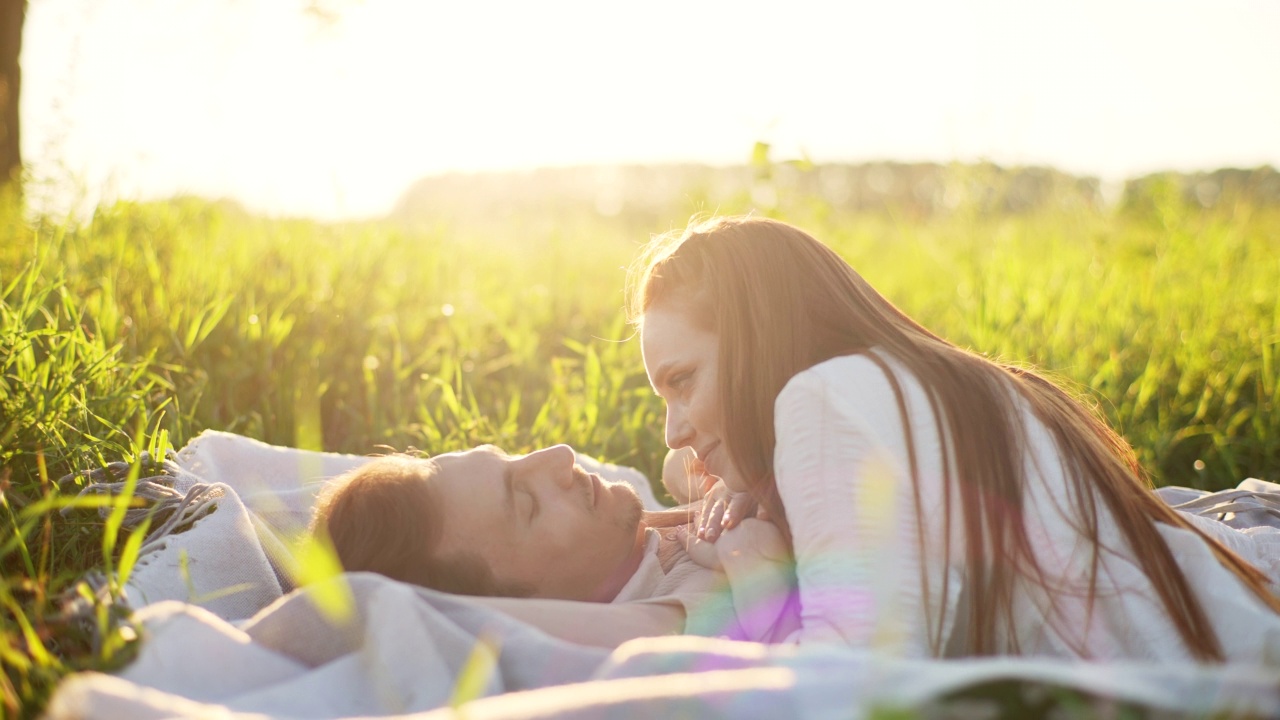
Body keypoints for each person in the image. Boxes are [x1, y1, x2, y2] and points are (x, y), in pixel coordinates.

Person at [629, 215, 1280, 663]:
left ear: (756, 335)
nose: (675, 429)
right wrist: (756, 490)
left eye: (682, 381)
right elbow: (675, 465)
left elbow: (853, 697)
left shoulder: (822, 403)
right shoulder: (902, 384)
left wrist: (752, 563)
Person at [309, 444, 796, 646]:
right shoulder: (673, 608)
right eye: (527, 502)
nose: (560, 457)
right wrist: (748, 550)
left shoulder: (646, 533)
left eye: (514, 459)